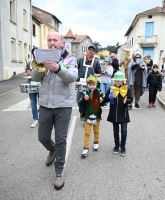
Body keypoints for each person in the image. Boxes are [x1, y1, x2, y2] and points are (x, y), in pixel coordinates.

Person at [31, 31, 78, 190]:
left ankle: (59, 172)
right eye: (49, 40)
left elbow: (72, 77)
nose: (52, 42)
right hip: (45, 105)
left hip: (63, 106)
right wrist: (40, 63)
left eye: (55, 40)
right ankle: (52, 151)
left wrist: (58, 68)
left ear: (61, 43)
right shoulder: (41, 56)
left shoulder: (70, 58)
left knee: (61, 140)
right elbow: (35, 77)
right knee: (43, 137)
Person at [104, 72, 132, 156]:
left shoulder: (127, 89)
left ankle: (123, 146)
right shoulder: (111, 88)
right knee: (115, 131)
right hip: (114, 114)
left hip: (123, 114)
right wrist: (108, 97)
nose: (117, 82)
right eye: (116, 80)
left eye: (118, 80)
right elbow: (106, 99)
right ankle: (116, 146)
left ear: (123, 81)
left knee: (124, 131)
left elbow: (131, 99)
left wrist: (127, 101)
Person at [79, 75, 105, 157]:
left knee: (96, 131)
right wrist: (84, 99)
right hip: (87, 116)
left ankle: (96, 142)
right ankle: (86, 148)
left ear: (96, 85)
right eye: (90, 84)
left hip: (96, 116)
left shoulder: (100, 93)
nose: (92, 86)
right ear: (87, 85)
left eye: (93, 84)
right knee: (87, 133)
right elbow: (81, 104)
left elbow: (104, 103)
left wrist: (102, 100)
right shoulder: (85, 93)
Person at [76, 46, 102, 117]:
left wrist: (97, 75)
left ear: (94, 52)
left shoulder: (96, 62)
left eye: (92, 50)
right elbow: (75, 69)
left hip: (90, 85)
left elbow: (100, 73)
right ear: (87, 51)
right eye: (89, 50)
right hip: (80, 83)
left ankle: (85, 114)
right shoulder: (80, 60)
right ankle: (81, 112)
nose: (91, 51)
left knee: (88, 99)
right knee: (79, 100)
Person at [24, 61, 41, 128]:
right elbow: (25, 74)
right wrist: (27, 73)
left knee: (42, 102)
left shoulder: (42, 61)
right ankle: (35, 118)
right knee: (33, 103)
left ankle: (41, 117)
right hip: (31, 84)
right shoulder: (29, 63)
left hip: (40, 84)